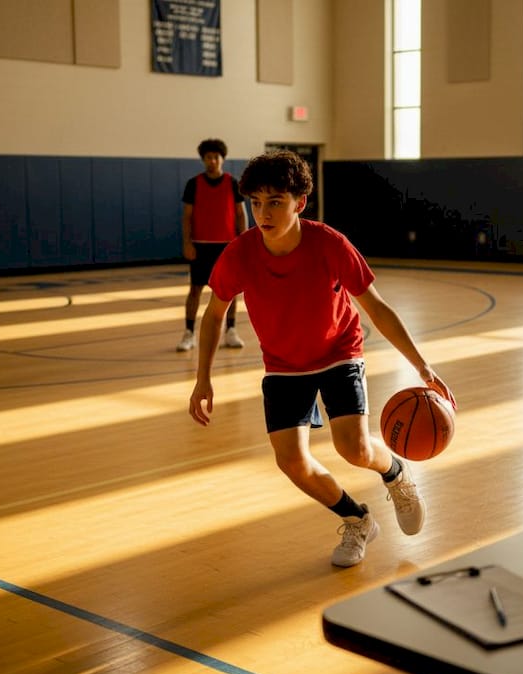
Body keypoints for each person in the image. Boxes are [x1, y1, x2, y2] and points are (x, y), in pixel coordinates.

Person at [188, 150, 455, 568]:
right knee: (290, 461)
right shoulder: (239, 254)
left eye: (275, 201)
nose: (263, 212)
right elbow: (213, 315)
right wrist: (203, 378)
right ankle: (357, 518)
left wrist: (421, 365)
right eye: (255, 202)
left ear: (299, 202)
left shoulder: (329, 244)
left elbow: (377, 307)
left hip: (338, 351)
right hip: (283, 363)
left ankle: (395, 475)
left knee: (353, 448)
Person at [177, 138, 250, 351]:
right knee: (195, 290)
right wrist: (187, 243)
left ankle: (231, 331)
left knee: (230, 291)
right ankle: (189, 333)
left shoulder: (232, 183)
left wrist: (243, 242)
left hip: (226, 246)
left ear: (222, 159)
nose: (213, 161)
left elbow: (240, 214)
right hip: (200, 245)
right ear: (203, 160)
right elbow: (187, 217)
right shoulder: (194, 184)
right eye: (208, 157)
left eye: (216, 157)